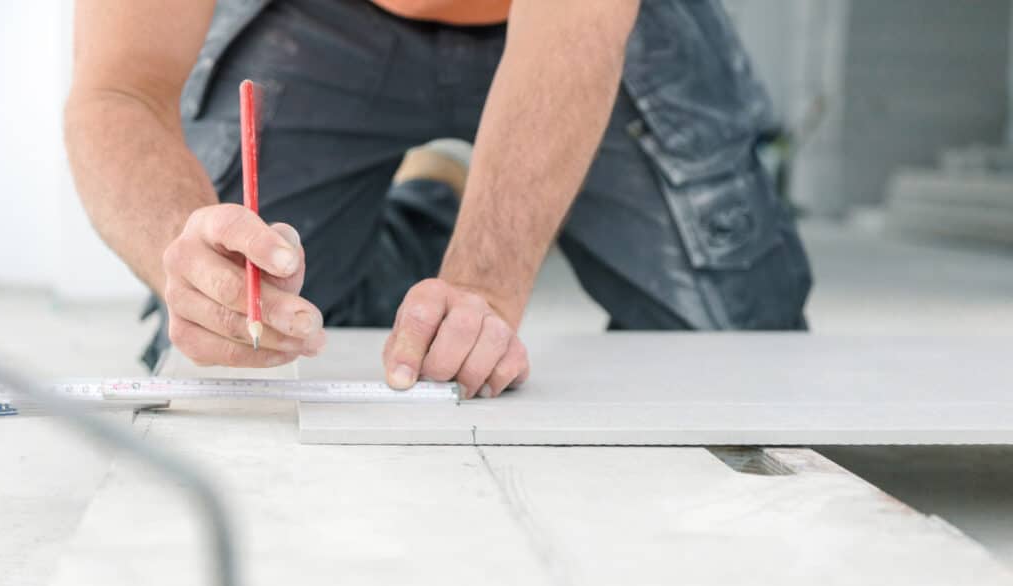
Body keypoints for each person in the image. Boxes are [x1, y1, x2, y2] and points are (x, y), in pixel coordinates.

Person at [65, 0, 812, 400]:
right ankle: (428, 209)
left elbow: (574, 22)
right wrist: (187, 249)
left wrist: (484, 285)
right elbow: (119, 89)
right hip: (317, 18)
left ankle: (442, 221)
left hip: (585, 17)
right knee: (243, 337)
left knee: (742, 358)